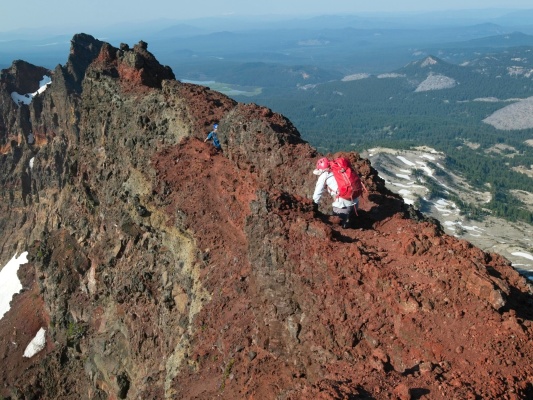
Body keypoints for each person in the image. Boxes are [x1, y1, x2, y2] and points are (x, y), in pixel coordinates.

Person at [312, 157, 365, 229]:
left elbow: (317, 192)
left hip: (342, 205)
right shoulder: (340, 169)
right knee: (352, 222)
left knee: (340, 226)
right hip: (355, 201)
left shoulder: (324, 175)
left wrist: (313, 205)